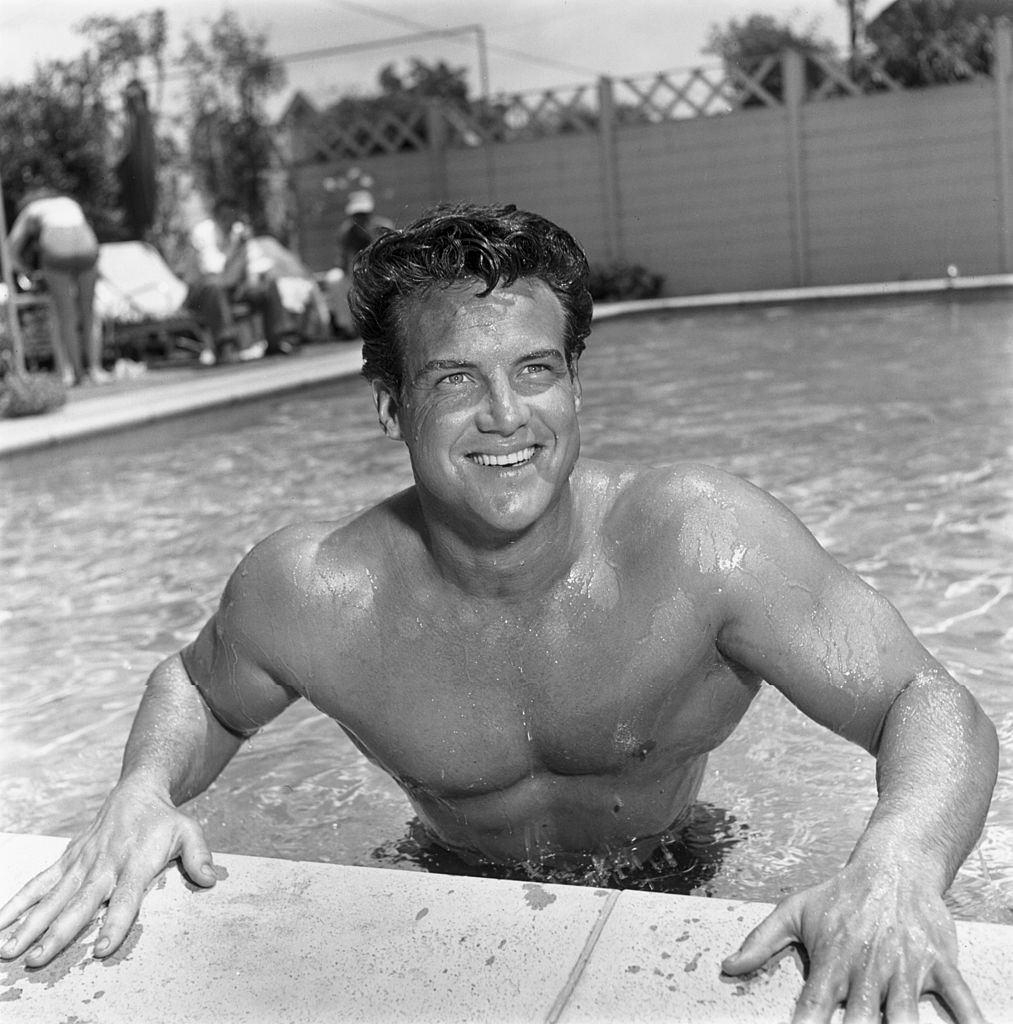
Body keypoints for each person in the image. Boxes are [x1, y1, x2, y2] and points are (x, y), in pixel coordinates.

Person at [0, 203, 998, 1023]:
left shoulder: (700, 543)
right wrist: (143, 787)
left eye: (534, 370)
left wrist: (897, 863)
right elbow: (199, 688)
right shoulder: (316, 591)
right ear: (391, 406)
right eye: (454, 381)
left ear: (574, 383)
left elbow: (921, 695)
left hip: (688, 865)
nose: (506, 417)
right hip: (443, 878)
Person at [5, 188, 107, 385]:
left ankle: (75, 374)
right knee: (89, 313)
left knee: (65, 316)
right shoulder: (69, 202)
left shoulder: (31, 209)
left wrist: (28, 270)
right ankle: (95, 369)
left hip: (56, 246)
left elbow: (11, 248)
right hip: (87, 244)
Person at [325, 189, 393, 338]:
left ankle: (386, 325)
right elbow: (341, 262)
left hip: (380, 272)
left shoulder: (383, 227)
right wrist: (353, 268)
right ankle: (347, 328)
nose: (360, 219)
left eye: (363, 215)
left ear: (371, 213)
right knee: (334, 279)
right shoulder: (346, 233)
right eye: (357, 215)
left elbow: (390, 257)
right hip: (354, 273)